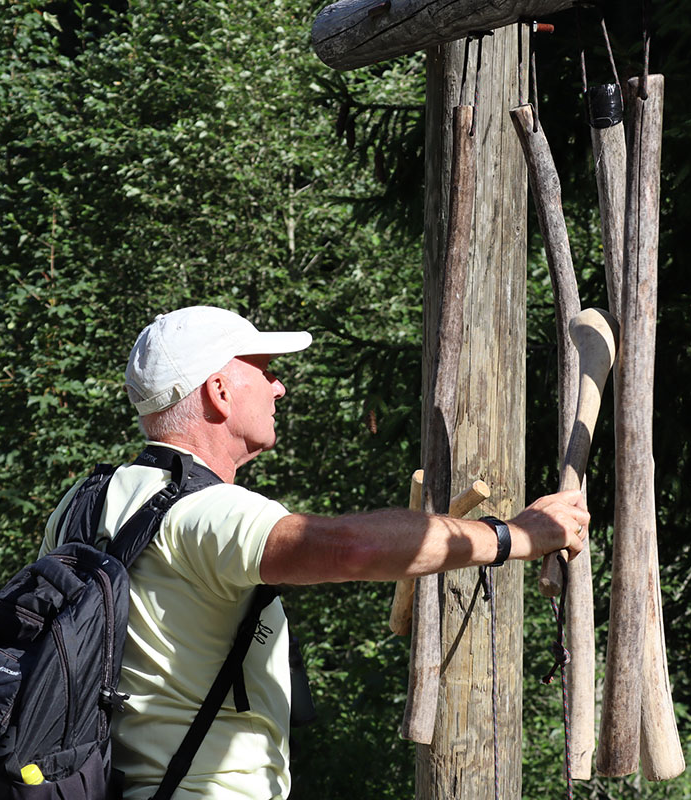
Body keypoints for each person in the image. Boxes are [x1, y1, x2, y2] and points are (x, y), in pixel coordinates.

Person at [39, 305, 589, 800]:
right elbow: (349, 550)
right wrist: (516, 535)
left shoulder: (82, 504)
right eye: (266, 371)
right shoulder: (207, 512)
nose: (279, 388)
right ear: (219, 392)